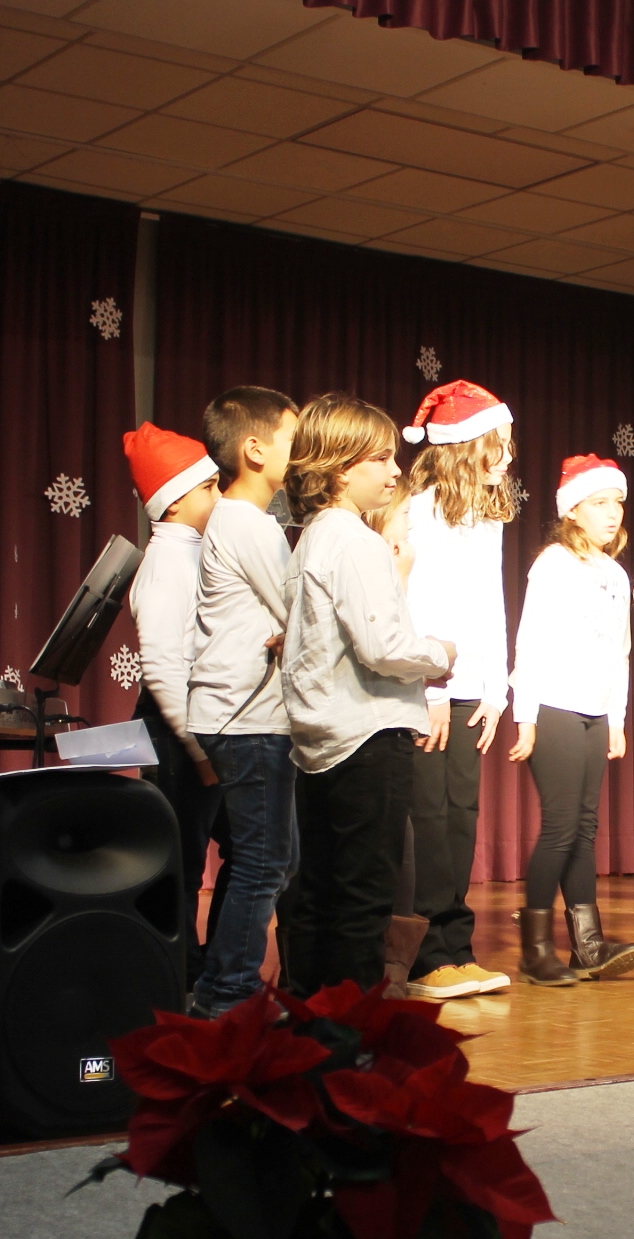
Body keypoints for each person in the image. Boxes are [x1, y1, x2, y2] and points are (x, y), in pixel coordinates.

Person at [278, 395, 454, 994]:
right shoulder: (355, 541)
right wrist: (441, 654)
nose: (395, 470)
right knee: (362, 900)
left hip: (324, 742)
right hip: (366, 739)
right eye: (381, 458)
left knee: (323, 894)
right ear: (339, 467)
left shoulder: (313, 540)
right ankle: (344, 1045)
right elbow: (383, 646)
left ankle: (313, 1027)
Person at [394, 380, 516, 1002]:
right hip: (428, 691)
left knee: (461, 820)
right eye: (499, 445)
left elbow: (489, 608)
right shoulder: (419, 511)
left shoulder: (485, 519)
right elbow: (415, 604)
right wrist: (434, 689)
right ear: (467, 447)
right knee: (428, 820)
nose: (508, 458)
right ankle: (424, 957)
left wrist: (497, 690)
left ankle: (456, 948)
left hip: (471, 692)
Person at [507, 455, 634, 987]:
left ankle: (588, 946)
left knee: (585, 830)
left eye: (617, 503)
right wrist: (526, 716)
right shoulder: (552, 563)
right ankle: (535, 949)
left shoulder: (615, 572)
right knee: (562, 827)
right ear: (573, 511)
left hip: (595, 711)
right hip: (555, 707)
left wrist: (616, 717)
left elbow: (621, 651)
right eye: (600, 503)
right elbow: (531, 640)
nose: (612, 513)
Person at [186, 386, 300, 1015]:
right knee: (262, 864)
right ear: (255, 450)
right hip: (248, 719)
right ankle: (226, 994)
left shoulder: (240, 520)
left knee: (273, 862)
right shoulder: (246, 522)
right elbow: (300, 612)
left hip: (249, 718)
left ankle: (230, 986)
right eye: (291, 439)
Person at [122, 422, 223, 992]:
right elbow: (163, 671)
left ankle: (208, 965)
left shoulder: (191, 554)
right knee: (180, 863)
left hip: (198, 732)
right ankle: (180, 976)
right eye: (209, 488)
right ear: (178, 499)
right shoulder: (166, 565)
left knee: (256, 852)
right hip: (179, 733)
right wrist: (197, 747)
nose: (219, 496)